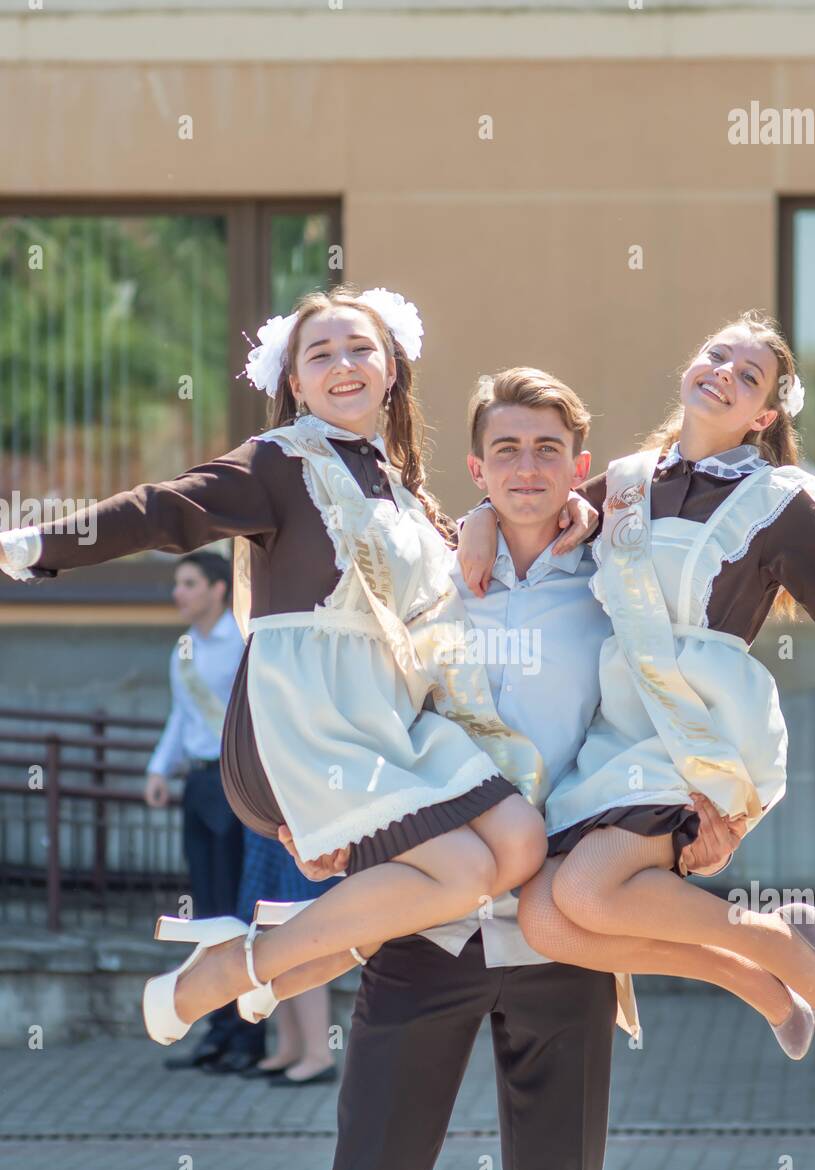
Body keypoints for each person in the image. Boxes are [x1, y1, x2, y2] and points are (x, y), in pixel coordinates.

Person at [239, 366, 741, 1170]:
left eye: (547, 449)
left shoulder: (615, 583)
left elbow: (676, 700)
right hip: (426, 926)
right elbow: (325, 683)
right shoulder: (426, 573)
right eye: (505, 449)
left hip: (564, 933)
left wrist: (703, 814)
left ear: (577, 466)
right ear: (475, 466)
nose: (526, 466)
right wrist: (303, 815)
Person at [0, 284, 595, 1047]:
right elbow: (163, 508)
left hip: (395, 716)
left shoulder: (396, 484)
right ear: (294, 381)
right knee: (462, 871)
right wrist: (33, 544)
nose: (342, 365)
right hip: (316, 721)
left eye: (360, 350)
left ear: (391, 372)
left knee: (517, 846)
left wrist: (512, 514)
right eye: (320, 354)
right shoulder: (280, 462)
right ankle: (247, 968)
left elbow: (458, 554)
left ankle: (281, 951)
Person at [459, 311, 815, 1060]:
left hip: (697, 726)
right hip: (617, 725)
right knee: (543, 919)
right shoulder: (628, 485)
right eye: (715, 356)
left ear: (763, 414)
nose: (722, 374)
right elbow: (534, 508)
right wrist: (478, 516)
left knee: (583, 893)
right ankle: (761, 982)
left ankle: (787, 947)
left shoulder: (778, 505)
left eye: (747, 375)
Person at [141, 549, 258, 1073]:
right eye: (176, 584)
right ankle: (215, 1029)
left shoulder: (242, 641)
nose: (177, 593)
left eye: (188, 583)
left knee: (237, 910)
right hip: (198, 787)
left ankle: (247, 1036)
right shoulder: (183, 650)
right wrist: (158, 770)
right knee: (208, 912)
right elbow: (180, 716)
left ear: (217, 588)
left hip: (235, 787)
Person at [234, 828, 340, 1086]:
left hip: (297, 823)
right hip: (270, 827)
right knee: (274, 928)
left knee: (300, 933)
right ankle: (289, 1048)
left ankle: (319, 1055)